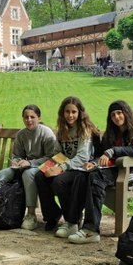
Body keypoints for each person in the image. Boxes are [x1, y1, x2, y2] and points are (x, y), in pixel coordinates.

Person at [0, 104, 57, 231]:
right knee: (2, 174)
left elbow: (51, 157)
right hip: (22, 167)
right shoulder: (21, 134)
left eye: (32, 117)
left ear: (39, 117)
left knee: (28, 174)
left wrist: (30, 163)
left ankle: (31, 215)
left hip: (40, 168)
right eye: (26, 117)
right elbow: (17, 155)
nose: (29, 120)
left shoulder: (46, 132)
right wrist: (17, 162)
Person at [73, 101, 133, 244]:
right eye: (113, 114)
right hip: (110, 170)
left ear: (126, 113)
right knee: (83, 175)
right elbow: (100, 153)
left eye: (119, 113)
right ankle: (73, 222)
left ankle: (91, 230)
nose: (116, 117)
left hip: (123, 172)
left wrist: (113, 151)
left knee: (96, 177)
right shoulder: (110, 133)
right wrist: (93, 163)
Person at [35, 96, 98, 238]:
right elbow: (58, 152)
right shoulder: (61, 130)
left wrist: (61, 168)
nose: (70, 115)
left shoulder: (84, 129)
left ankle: (72, 220)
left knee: (59, 181)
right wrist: (50, 167)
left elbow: (83, 157)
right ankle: (52, 215)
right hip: (65, 165)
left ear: (80, 113)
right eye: (67, 112)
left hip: (81, 169)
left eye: (74, 112)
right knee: (40, 175)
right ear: (62, 113)